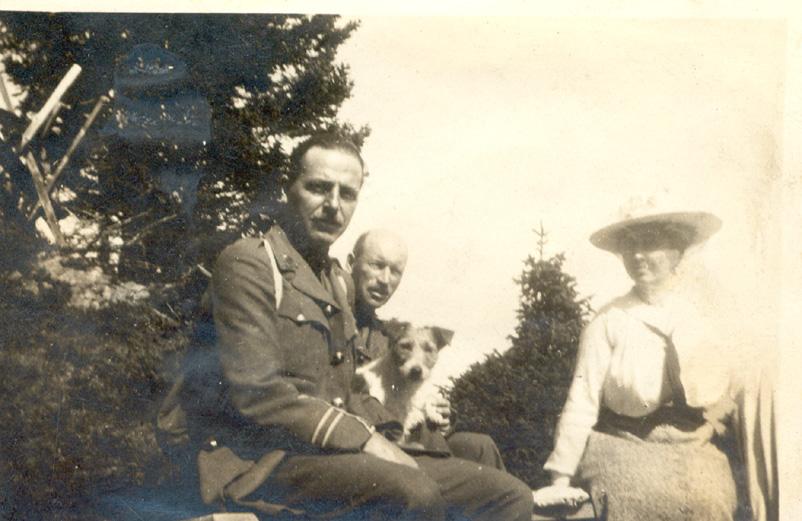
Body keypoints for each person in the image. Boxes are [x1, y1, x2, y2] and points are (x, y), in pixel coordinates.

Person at [175, 133, 533, 521]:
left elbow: (343, 391)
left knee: (508, 495)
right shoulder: (249, 265)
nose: (333, 206)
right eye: (318, 188)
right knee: (413, 493)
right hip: (261, 462)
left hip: (331, 456)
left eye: (347, 194)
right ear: (288, 188)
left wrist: (395, 430)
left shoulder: (334, 281)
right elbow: (259, 393)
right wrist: (364, 438)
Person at [534, 205, 746, 520]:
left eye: (649, 243)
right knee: (640, 496)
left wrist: (713, 423)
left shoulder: (701, 315)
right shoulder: (608, 320)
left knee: (708, 499)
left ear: (677, 250)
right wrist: (560, 478)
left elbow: (732, 382)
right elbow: (582, 400)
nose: (637, 255)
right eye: (630, 245)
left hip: (693, 445)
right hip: (623, 443)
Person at [348, 228, 507, 471]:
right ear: (352, 263)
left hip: (404, 428)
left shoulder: (388, 332)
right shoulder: (335, 319)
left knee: (480, 445)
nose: (385, 279)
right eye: (377, 265)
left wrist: (443, 417)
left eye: (395, 271)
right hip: (369, 436)